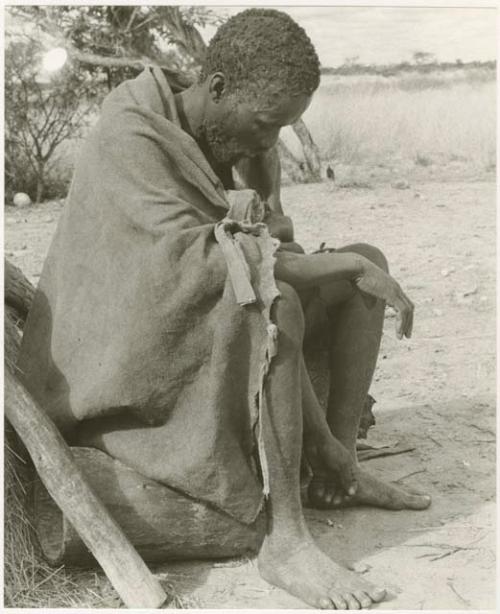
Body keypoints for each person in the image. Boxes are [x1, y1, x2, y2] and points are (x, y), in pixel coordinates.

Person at [18, 8, 431, 610]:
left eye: (283, 128)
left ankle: (335, 466)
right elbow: (196, 270)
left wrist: (291, 222)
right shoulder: (132, 131)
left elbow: (268, 247)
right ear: (217, 89)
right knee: (278, 301)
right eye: (266, 124)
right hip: (122, 361)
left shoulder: (242, 144)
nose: (270, 140)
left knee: (364, 266)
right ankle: (286, 542)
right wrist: (310, 258)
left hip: (198, 319)